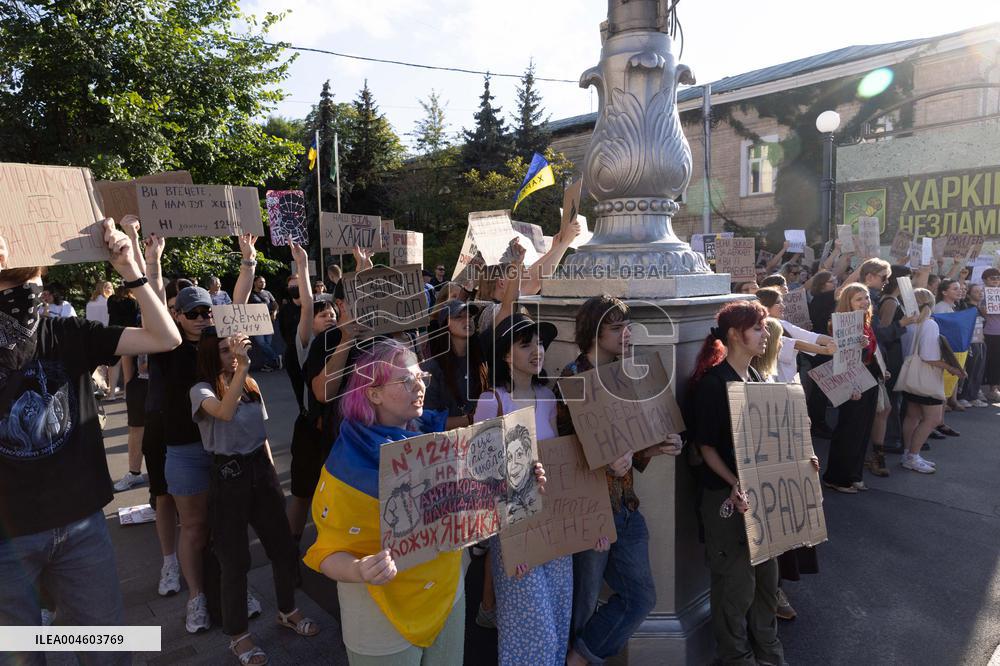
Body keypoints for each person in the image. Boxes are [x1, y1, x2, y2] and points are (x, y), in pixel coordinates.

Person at [0, 220, 181, 664]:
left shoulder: (66, 333)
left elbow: (165, 337)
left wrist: (131, 271)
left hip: (80, 527)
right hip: (6, 538)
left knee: (105, 651)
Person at [304, 339, 471, 664]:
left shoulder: (432, 438)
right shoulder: (346, 467)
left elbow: (475, 502)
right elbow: (324, 552)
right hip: (381, 616)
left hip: (448, 594)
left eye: (420, 377)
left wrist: (519, 485)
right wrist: (358, 568)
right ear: (373, 393)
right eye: (406, 380)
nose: (419, 386)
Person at [558, 295, 683, 666]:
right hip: (591, 509)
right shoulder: (572, 378)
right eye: (617, 328)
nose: (627, 334)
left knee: (641, 597)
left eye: (627, 327)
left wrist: (659, 446)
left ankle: (580, 656)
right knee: (583, 599)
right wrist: (605, 464)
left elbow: (632, 441)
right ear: (595, 332)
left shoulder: (628, 374)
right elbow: (564, 451)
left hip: (626, 505)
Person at [192, 330, 319, 664]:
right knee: (234, 561)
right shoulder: (201, 389)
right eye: (224, 350)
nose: (233, 354)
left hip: (259, 471)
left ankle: (287, 610)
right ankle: (239, 636)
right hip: (228, 476)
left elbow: (261, 434)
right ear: (209, 354)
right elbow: (223, 412)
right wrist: (243, 367)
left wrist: (272, 473)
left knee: (282, 547)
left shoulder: (249, 383)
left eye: (235, 347)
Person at [152, 234, 259, 633]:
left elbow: (240, 303)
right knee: (195, 528)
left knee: (229, 526)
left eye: (206, 311)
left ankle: (235, 590)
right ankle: (197, 597)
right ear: (178, 315)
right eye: (192, 312)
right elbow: (154, 305)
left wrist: (248, 260)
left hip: (225, 447)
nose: (201, 317)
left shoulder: (219, 340)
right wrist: (152, 261)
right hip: (184, 450)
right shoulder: (166, 344)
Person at [688, 300, 786, 666]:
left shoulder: (757, 378)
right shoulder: (713, 385)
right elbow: (705, 448)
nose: (765, 334)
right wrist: (733, 483)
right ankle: (737, 659)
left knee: (766, 582)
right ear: (734, 334)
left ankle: (769, 655)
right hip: (725, 502)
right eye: (758, 327)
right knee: (735, 586)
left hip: (759, 496)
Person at [473, 312, 568, 666]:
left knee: (557, 621)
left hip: (557, 528)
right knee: (530, 630)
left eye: (540, 343)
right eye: (525, 344)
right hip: (515, 528)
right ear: (505, 355)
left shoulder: (549, 397)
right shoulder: (492, 401)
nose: (537, 350)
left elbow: (561, 458)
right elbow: (478, 471)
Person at [822, 283, 883, 494]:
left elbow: (873, 351)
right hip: (851, 381)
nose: (864, 303)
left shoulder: (866, 322)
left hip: (869, 379)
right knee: (849, 429)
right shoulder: (838, 324)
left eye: (866, 298)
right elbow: (841, 358)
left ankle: (854, 475)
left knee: (863, 430)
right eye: (859, 299)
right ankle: (837, 477)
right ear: (848, 301)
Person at [899, 288, 966, 473]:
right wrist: (951, 367)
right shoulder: (929, 324)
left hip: (911, 376)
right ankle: (913, 456)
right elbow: (929, 357)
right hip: (926, 378)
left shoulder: (909, 323)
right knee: (933, 418)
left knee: (912, 416)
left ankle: (908, 453)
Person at [421, 300, 486, 430]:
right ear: (446, 324)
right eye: (459, 317)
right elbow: (428, 421)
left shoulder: (481, 361)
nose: (467, 320)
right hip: (446, 444)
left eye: (470, 316)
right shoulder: (431, 368)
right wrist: (470, 419)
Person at [755, 287, 836, 383]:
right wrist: (825, 350)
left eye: (782, 302)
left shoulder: (783, 324)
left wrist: (841, 341)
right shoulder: (758, 327)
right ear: (764, 305)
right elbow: (794, 344)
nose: (783, 306)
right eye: (778, 303)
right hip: (771, 380)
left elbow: (812, 336)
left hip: (789, 379)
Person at [959, 283, 989, 407]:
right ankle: (963, 396)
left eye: (981, 291)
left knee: (979, 369)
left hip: (980, 341)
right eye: (976, 291)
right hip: (971, 342)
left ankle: (973, 396)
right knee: (970, 369)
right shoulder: (966, 307)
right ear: (969, 293)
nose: (980, 293)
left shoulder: (979, 308)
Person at [248, 275, 280, 371]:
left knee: (267, 344)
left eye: (264, 282)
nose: (263, 284)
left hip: (268, 321)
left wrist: (274, 313)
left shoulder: (268, 293)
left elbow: (275, 305)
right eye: (261, 282)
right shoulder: (250, 294)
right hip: (256, 322)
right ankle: (276, 357)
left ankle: (267, 365)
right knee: (261, 343)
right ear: (255, 282)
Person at [982, 268, 1000, 403]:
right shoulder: (981, 293)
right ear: (985, 280)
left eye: (997, 278)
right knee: (992, 360)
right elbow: (982, 313)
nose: (995, 280)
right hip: (989, 332)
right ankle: (993, 388)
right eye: (992, 278)